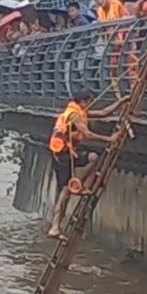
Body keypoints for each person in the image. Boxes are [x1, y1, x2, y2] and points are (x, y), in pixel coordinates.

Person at [47, 88, 128, 239]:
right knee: (65, 193)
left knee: (93, 158)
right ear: (83, 101)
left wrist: (122, 101)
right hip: (61, 156)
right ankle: (55, 227)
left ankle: (78, 184)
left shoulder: (80, 111)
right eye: (89, 101)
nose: (90, 104)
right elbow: (88, 134)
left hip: (69, 152)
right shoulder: (74, 114)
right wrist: (109, 139)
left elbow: (104, 113)